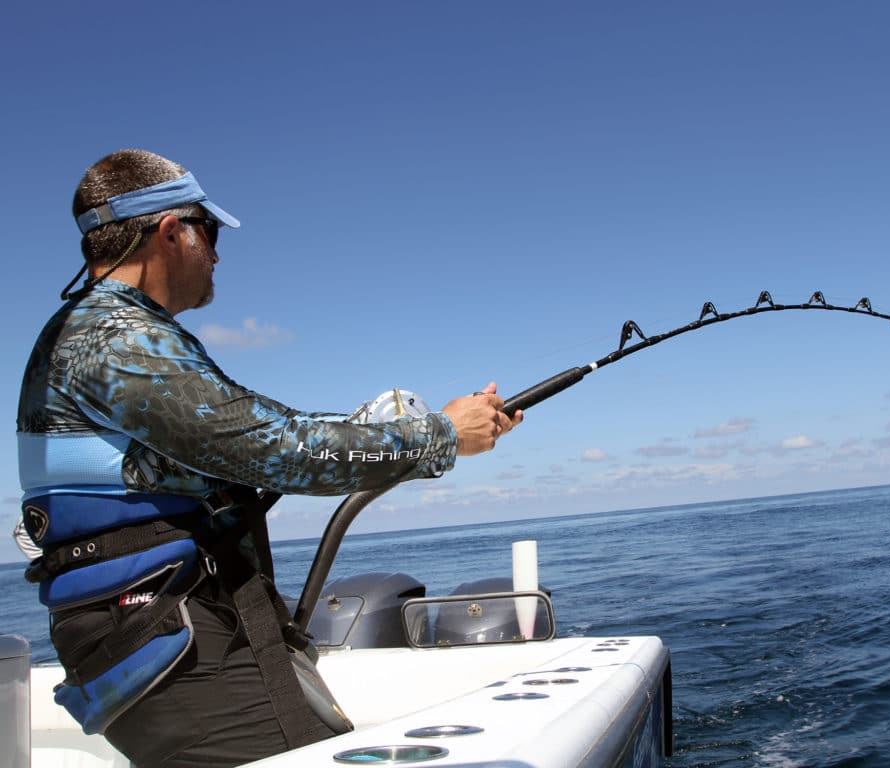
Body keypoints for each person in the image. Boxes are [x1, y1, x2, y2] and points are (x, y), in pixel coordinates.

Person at [16, 149, 522, 767]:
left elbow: (242, 439)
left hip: (168, 616)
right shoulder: (113, 339)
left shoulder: (108, 333)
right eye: (208, 231)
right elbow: (274, 447)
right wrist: (441, 435)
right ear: (171, 232)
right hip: (161, 628)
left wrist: (405, 430)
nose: (218, 252)